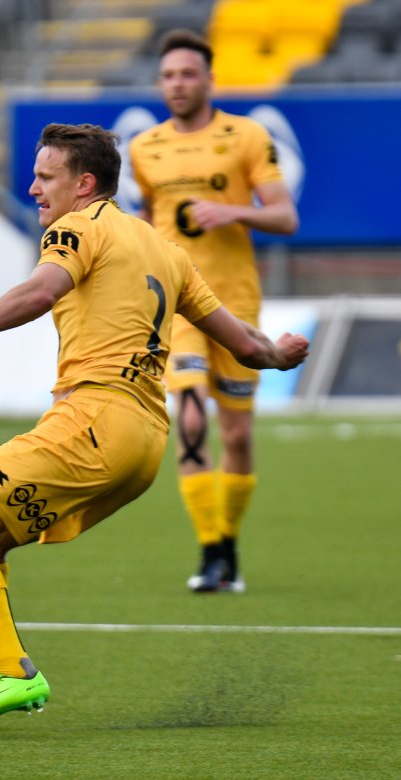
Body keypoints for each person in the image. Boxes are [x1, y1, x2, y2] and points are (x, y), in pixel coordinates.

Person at [0, 123, 308, 732]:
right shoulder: (165, 250)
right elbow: (245, 345)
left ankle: (15, 673)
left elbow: (41, 289)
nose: (33, 187)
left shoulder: (77, 227)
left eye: (45, 177)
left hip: (92, 418)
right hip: (143, 441)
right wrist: (280, 354)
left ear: (84, 184)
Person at [128, 30, 300, 593]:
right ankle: (208, 551)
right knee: (192, 413)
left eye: (188, 74)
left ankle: (228, 542)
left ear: (208, 78)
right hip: (177, 305)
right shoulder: (145, 147)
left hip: (236, 301)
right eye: (169, 75)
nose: (178, 84)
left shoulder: (245, 135)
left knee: (238, 434)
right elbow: (152, 222)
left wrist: (232, 212)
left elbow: (285, 217)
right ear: (161, 83)